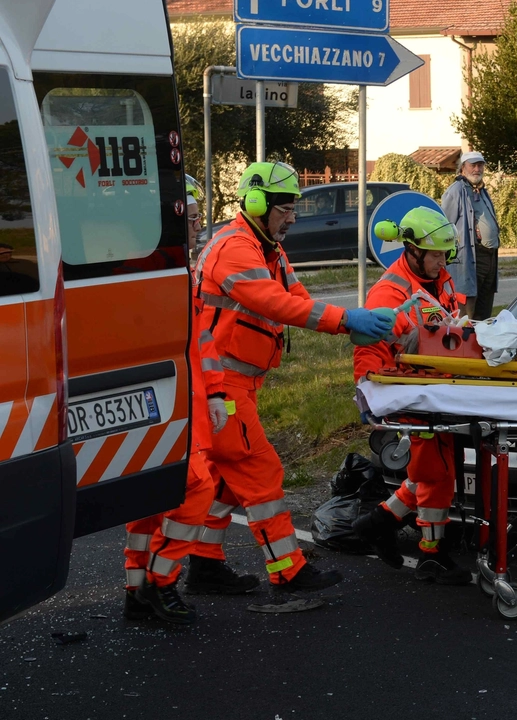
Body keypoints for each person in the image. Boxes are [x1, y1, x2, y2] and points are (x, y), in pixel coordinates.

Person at [186, 161, 394, 593]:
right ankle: (289, 569)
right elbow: (275, 305)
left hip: (235, 383)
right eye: (285, 208)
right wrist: (344, 320)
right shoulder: (236, 249)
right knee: (259, 471)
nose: (294, 217)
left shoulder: (267, 248)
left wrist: (352, 322)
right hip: (221, 385)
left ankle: (203, 566)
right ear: (257, 204)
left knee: (225, 478)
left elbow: (295, 296)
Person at [350, 207, 473, 586]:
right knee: (436, 471)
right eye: (435, 255)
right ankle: (431, 554)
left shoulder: (442, 280)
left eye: (445, 254)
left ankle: (380, 521)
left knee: (433, 468)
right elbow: (368, 346)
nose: (441, 261)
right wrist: (368, 392)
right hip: (410, 392)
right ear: (413, 251)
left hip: (438, 387)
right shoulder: (390, 291)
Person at [122, 176, 223, 624]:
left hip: (173, 398)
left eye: (201, 217)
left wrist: (218, 391)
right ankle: (162, 581)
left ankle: (137, 586)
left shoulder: (163, 266)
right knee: (197, 487)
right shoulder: (159, 270)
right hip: (172, 401)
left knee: (149, 497)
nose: (199, 226)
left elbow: (203, 341)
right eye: (193, 217)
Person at [441, 151, 500, 321]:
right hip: (469, 257)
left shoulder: (481, 190)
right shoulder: (456, 191)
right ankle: (466, 344)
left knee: (485, 307)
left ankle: (482, 344)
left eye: (480, 165)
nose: (477, 169)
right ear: (462, 168)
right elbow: (446, 225)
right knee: (468, 310)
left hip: (489, 256)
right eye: (472, 165)